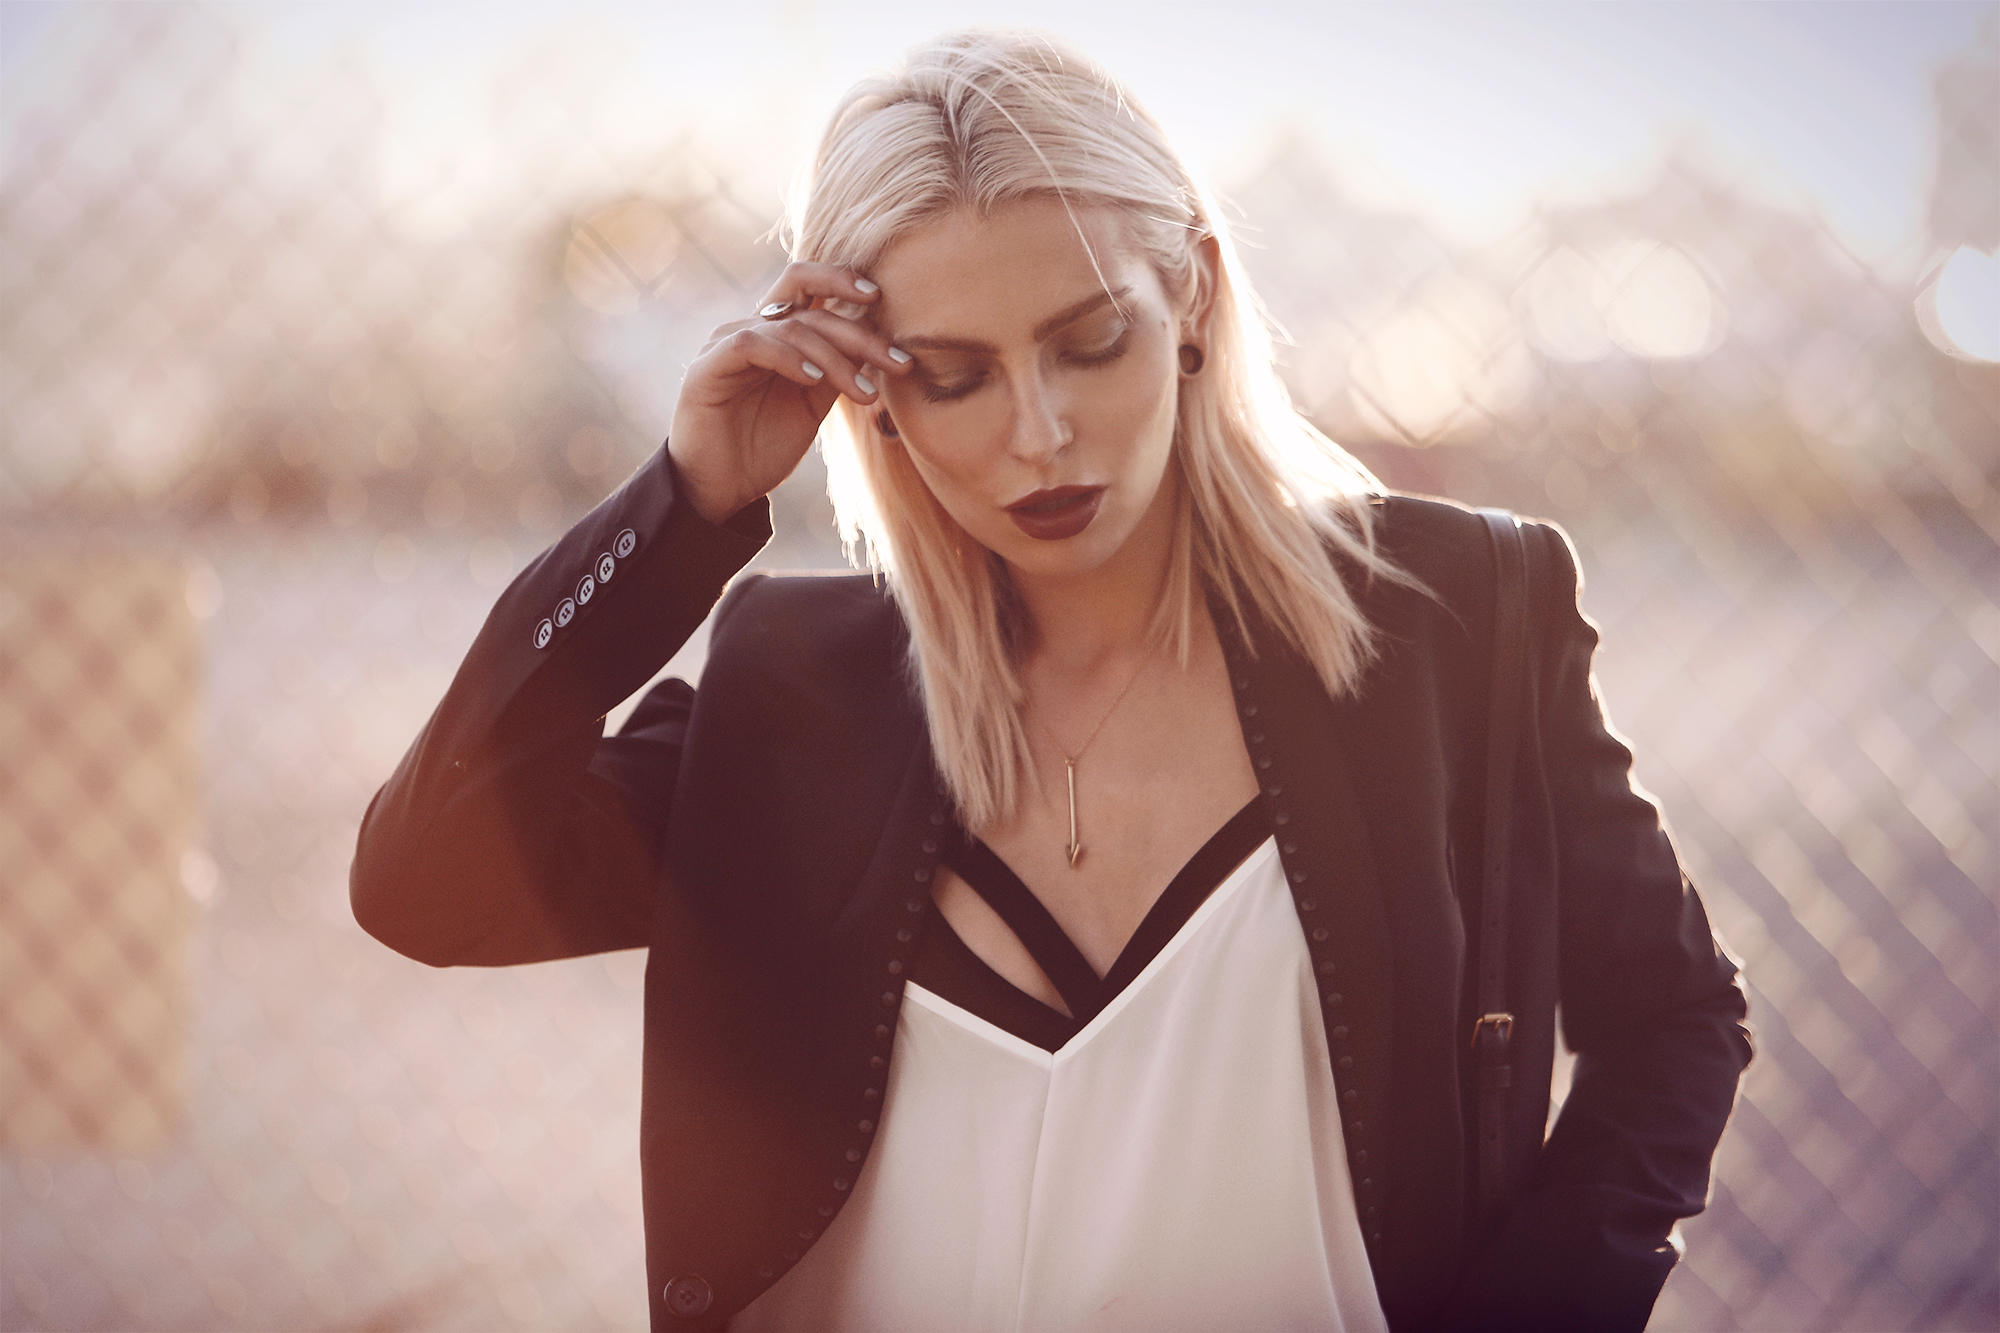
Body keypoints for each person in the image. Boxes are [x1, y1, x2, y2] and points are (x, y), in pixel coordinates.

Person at [351, 28, 1751, 1333]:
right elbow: (428, 876)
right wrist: (680, 508)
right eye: (953, 375)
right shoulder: (797, 694)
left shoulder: (1454, 622)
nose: (1043, 432)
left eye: (1091, 342)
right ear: (871, 391)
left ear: (1192, 293)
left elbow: (1676, 1020)